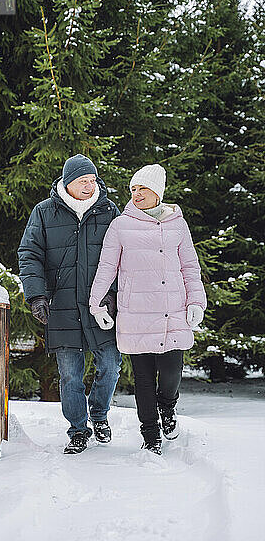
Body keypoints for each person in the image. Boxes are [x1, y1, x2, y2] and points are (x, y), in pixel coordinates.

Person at [89, 164, 206, 455]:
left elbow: (190, 266)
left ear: (157, 192)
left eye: (142, 188)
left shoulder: (177, 222)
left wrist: (196, 301)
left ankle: (168, 407)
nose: (137, 194)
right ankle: (150, 434)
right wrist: (96, 302)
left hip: (172, 312)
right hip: (136, 313)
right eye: (133, 189)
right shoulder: (120, 225)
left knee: (171, 373)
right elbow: (107, 268)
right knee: (143, 379)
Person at [18, 154, 122, 454]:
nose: (90, 186)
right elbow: (29, 253)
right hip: (61, 305)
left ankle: (99, 414)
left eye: (92, 180)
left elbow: (122, 256)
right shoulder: (44, 212)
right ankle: (78, 429)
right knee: (69, 375)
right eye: (83, 181)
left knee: (111, 365)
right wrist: (37, 295)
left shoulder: (108, 210)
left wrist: (113, 293)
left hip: (100, 306)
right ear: (68, 183)